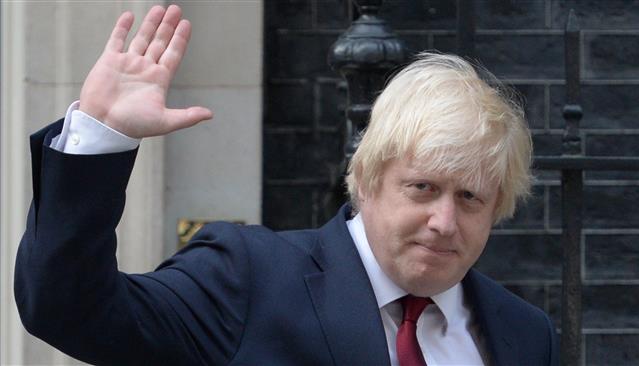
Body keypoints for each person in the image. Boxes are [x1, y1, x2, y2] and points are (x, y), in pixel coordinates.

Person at [14, 5, 558, 366]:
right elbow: (68, 310)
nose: (444, 221)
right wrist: (102, 136)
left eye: (470, 198)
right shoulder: (248, 277)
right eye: (421, 188)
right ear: (367, 181)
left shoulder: (525, 335)